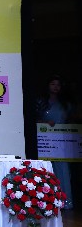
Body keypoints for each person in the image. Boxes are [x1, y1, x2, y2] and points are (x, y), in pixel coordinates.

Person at [35, 74, 75, 209]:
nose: (55, 87)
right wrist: (44, 122)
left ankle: (65, 201)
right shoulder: (41, 102)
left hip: (62, 140)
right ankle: (47, 201)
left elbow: (71, 121)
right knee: (46, 168)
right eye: (53, 84)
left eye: (58, 84)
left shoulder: (66, 104)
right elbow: (33, 119)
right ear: (48, 85)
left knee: (63, 169)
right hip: (45, 141)